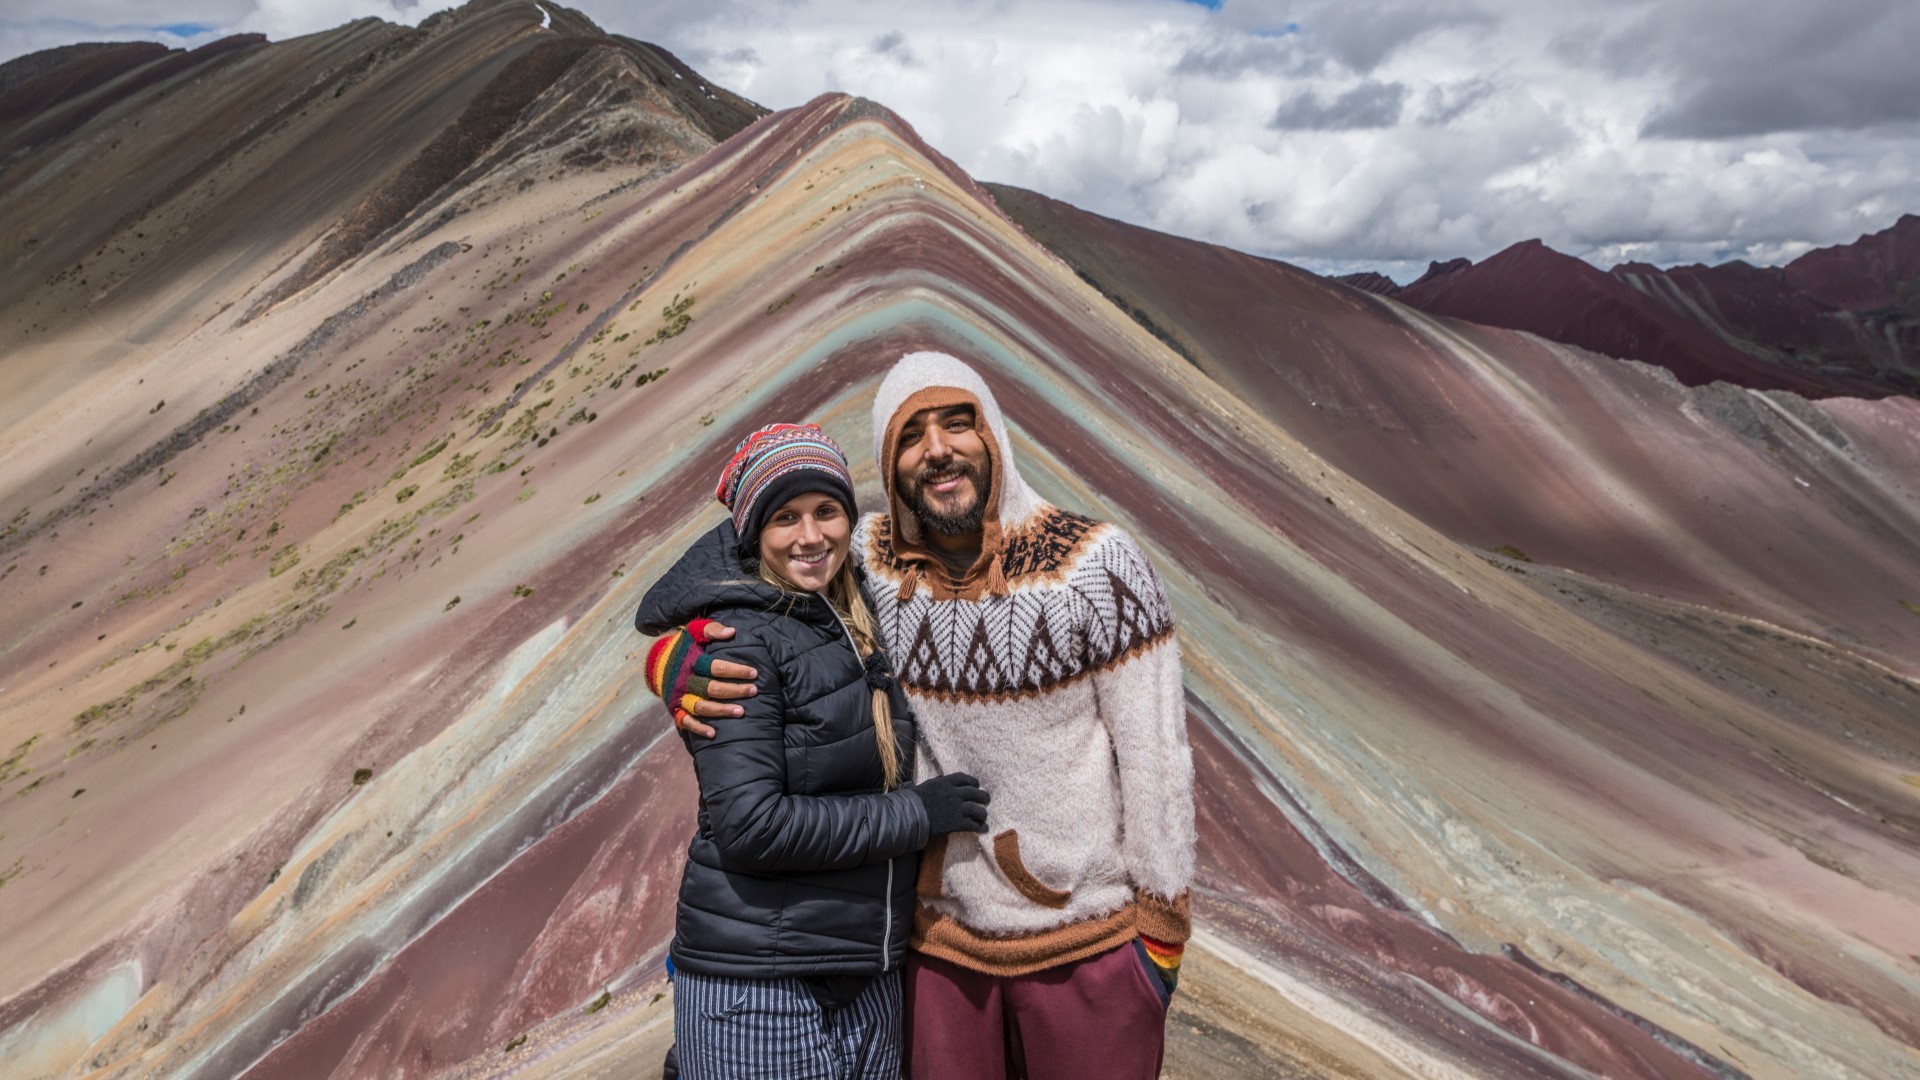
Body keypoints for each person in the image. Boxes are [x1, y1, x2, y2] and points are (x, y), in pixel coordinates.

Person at [647, 354, 1196, 1079]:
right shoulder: (868, 565)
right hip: (935, 960)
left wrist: (1158, 943)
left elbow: (1156, 756)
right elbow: (746, 562)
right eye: (910, 436)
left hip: (1088, 951)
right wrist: (670, 661)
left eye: (957, 423)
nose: (937, 449)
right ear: (890, 464)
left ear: (994, 435)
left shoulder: (1097, 567)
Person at [635, 422, 992, 1079]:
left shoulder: (854, 613)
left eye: (827, 511)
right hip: (764, 983)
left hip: (862, 972)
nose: (810, 536)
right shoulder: (738, 643)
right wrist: (920, 815)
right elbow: (751, 827)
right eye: (785, 518)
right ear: (753, 534)